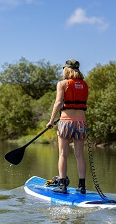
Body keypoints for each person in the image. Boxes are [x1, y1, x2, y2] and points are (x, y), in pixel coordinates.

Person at [46, 59, 88, 194]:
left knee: (63, 154)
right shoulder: (85, 84)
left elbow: (58, 103)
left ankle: (62, 185)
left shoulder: (62, 84)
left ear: (66, 70)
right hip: (81, 122)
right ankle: (82, 186)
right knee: (79, 155)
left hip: (66, 122)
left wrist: (51, 120)